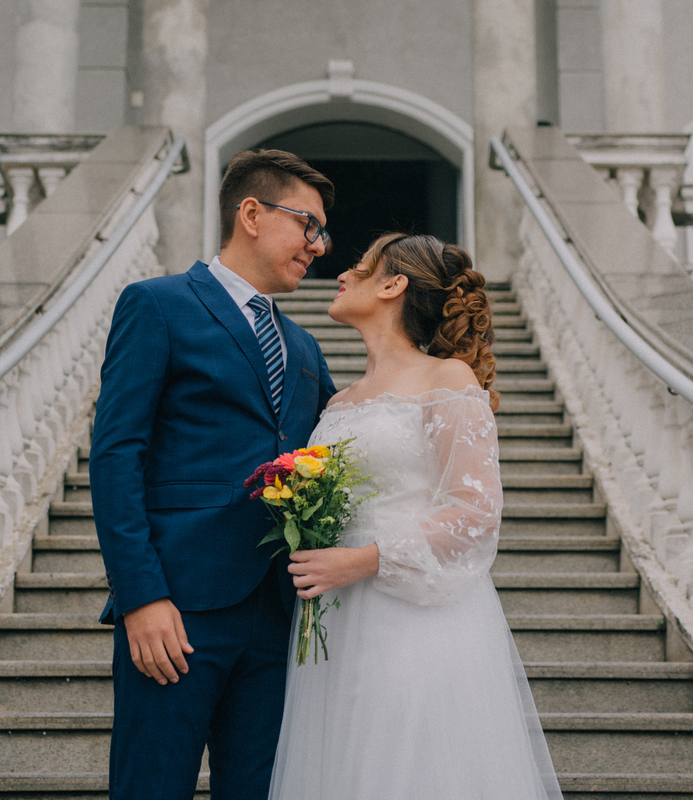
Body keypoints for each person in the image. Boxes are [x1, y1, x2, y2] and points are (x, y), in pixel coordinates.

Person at [268, 233, 564, 800]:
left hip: (414, 618)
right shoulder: (338, 401)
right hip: (336, 621)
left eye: (360, 266)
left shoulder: (446, 379)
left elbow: (474, 512)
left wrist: (362, 561)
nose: (341, 274)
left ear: (393, 285)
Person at [90, 149, 337, 800]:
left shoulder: (304, 346)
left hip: (277, 614)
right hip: (177, 606)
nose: (318, 245)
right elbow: (116, 454)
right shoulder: (157, 305)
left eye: (322, 232)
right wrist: (141, 596)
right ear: (252, 214)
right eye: (308, 225)